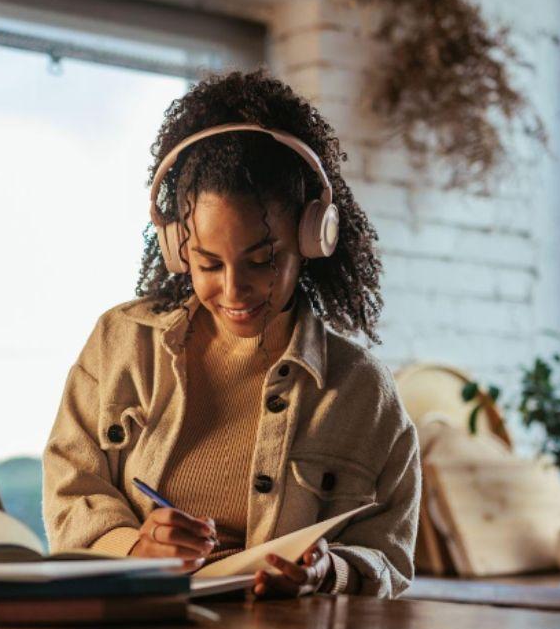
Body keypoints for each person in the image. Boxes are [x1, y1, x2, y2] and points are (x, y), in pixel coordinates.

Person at [42, 69, 421, 598]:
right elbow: (70, 489)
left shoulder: (361, 393)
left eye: (262, 260)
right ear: (177, 248)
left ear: (314, 238)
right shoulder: (120, 343)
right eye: (208, 263)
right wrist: (133, 547)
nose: (235, 290)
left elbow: (390, 554)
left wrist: (325, 572)